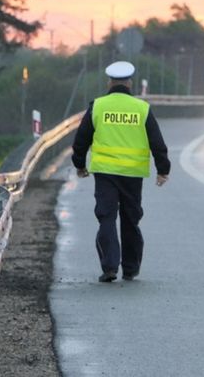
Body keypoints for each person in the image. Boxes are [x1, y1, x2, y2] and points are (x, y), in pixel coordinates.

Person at [71, 61, 171, 283]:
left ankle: (109, 266)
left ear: (109, 82)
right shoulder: (141, 108)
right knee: (130, 219)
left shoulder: (98, 106)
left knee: (106, 217)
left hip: (105, 173)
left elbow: (81, 139)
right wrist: (162, 169)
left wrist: (80, 165)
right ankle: (130, 268)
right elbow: (157, 142)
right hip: (133, 174)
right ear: (130, 82)